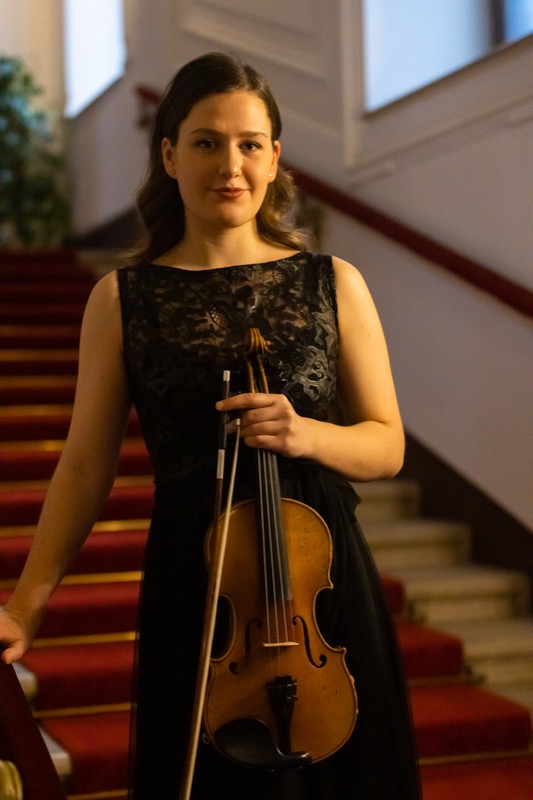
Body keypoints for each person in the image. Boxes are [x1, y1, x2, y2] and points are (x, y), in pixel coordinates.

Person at [0, 52, 421, 799]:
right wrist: (25, 606)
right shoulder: (122, 300)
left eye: (249, 144)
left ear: (274, 157)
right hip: (201, 588)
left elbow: (385, 443)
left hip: (317, 588)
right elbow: (86, 466)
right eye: (206, 142)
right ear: (168, 155)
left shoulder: (333, 283)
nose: (230, 165)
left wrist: (304, 434)